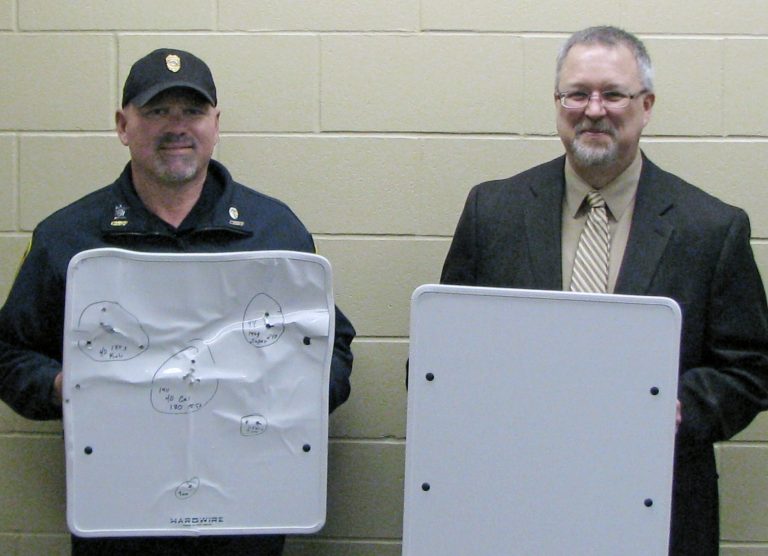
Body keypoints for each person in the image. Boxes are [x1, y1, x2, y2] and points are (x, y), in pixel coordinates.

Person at [0, 48, 355, 555]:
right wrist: (68, 387)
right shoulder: (68, 237)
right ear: (123, 125)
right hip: (120, 518)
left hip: (246, 514)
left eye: (192, 111)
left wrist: (290, 400)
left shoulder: (275, 231)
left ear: (216, 123)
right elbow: (9, 352)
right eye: (156, 111)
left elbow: (332, 350)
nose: (176, 126)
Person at [441, 26, 768, 555]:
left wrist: (675, 407)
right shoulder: (493, 212)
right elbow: (442, 355)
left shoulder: (711, 227)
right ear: (557, 103)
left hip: (656, 504)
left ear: (646, 105)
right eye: (578, 93)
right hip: (511, 501)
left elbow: (751, 368)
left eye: (613, 94)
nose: (594, 109)